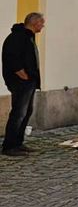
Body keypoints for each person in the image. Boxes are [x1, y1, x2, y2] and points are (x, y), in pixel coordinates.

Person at [2, 12, 44, 157]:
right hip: (20, 82)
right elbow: (11, 57)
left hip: (29, 80)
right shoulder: (18, 37)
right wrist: (22, 74)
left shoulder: (28, 37)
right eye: (41, 22)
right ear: (34, 23)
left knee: (26, 111)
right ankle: (9, 146)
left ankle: (18, 143)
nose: (43, 25)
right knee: (18, 113)